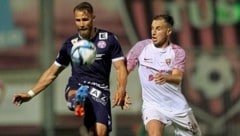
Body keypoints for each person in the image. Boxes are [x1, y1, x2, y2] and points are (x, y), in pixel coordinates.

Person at [12, 2, 130, 136]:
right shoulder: (70, 44)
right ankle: (76, 101)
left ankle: (79, 105)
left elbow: (120, 68)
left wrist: (121, 90)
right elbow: (52, 73)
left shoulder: (109, 39)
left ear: (93, 18)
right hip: (78, 84)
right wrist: (30, 94)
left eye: (85, 19)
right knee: (77, 91)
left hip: (100, 89)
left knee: (100, 132)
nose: (81, 24)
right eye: (78, 20)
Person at [126, 14, 202, 136]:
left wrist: (165, 77)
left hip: (176, 106)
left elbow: (178, 78)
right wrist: (121, 89)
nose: (153, 32)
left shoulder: (177, 52)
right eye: (152, 28)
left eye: (158, 28)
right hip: (153, 105)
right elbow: (124, 69)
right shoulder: (141, 47)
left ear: (168, 31)